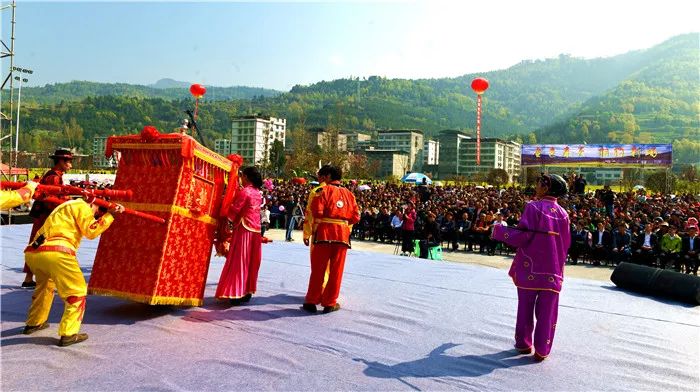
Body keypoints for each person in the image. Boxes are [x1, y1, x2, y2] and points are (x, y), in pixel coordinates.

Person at [23, 197, 124, 347]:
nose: (96, 214)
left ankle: (34, 323)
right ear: (92, 203)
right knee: (76, 291)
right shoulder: (82, 205)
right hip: (57, 252)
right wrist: (110, 215)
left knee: (44, 288)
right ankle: (69, 333)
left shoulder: (64, 207)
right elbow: (91, 231)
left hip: (34, 252)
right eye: (97, 210)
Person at [492, 174, 571, 362]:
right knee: (547, 313)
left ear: (546, 187)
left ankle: (523, 344)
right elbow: (566, 244)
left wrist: (499, 230)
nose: (536, 186)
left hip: (531, 266)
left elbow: (523, 236)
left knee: (525, 308)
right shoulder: (564, 214)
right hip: (553, 270)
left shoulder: (533, 207)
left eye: (538, 183)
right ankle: (542, 350)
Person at [302, 165, 360, 314]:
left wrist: (310, 231)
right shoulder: (349, 194)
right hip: (342, 237)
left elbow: (317, 212)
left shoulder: (322, 191)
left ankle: (311, 301)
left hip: (324, 235)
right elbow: (355, 217)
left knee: (318, 270)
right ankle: (330, 303)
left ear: (328, 177)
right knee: (336, 271)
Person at [23, 149, 73, 289]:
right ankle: (33, 277)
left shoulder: (56, 175)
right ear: (61, 161)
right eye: (69, 162)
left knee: (37, 245)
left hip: (46, 216)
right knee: (41, 245)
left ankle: (30, 278)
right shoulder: (54, 177)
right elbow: (51, 200)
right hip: (46, 217)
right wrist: (67, 203)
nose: (70, 165)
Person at [215, 167, 263, 305]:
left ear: (246, 177)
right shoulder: (257, 193)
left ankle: (236, 291)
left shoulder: (245, 192)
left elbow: (235, 209)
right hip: (256, 229)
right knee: (251, 261)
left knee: (239, 260)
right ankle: (247, 291)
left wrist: (223, 212)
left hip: (244, 228)